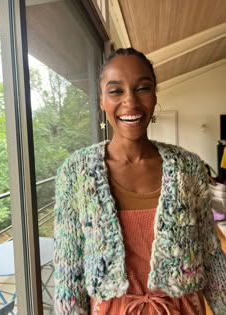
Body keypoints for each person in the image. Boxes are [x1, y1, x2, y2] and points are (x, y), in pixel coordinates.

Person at [54, 48, 226, 315]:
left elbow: (211, 256)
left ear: (155, 96)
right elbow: (69, 272)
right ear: (102, 100)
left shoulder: (188, 168)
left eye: (142, 88)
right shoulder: (76, 173)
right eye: (116, 91)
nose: (130, 102)